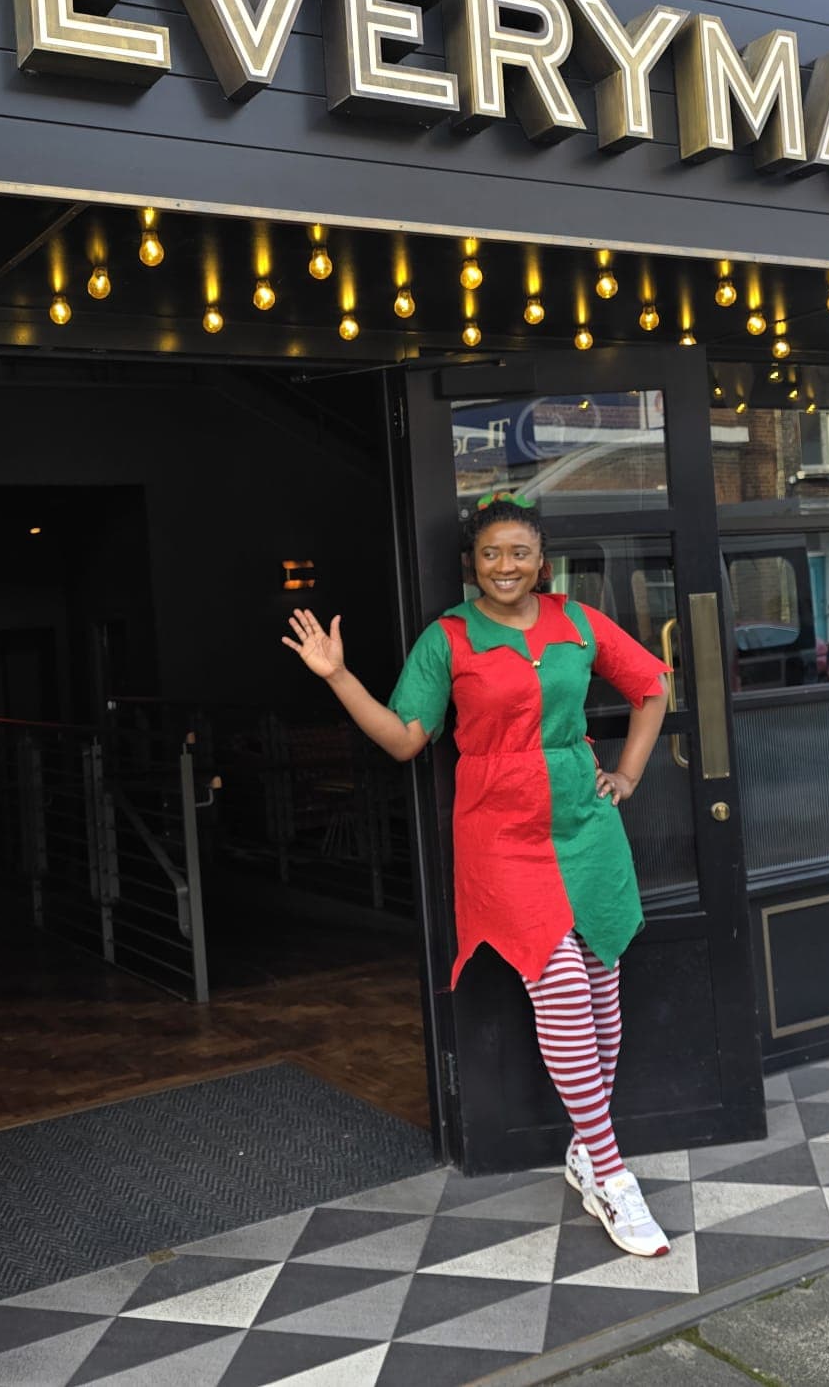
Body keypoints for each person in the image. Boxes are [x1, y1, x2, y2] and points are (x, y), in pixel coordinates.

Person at [283, 490, 672, 1258]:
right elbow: (403, 739)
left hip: (584, 826)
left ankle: (585, 1150)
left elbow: (652, 685)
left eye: (519, 553)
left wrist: (626, 774)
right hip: (499, 828)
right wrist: (335, 675)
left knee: (601, 988)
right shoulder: (448, 639)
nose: (505, 565)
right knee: (556, 981)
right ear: (473, 564)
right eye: (491, 553)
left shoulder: (579, 622)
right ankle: (615, 1173)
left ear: (541, 562)